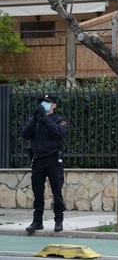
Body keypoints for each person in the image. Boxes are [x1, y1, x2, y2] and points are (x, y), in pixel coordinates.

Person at [20, 94, 69, 233]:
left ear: (54, 105)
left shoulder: (61, 120)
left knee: (56, 191)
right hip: (38, 160)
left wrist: (45, 118)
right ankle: (37, 221)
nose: (43, 104)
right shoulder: (35, 120)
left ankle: (58, 221)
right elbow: (24, 134)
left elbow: (57, 133)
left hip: (53, 160)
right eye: (42, 102)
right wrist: (35, 119)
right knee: (37, 192)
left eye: (47, 102)